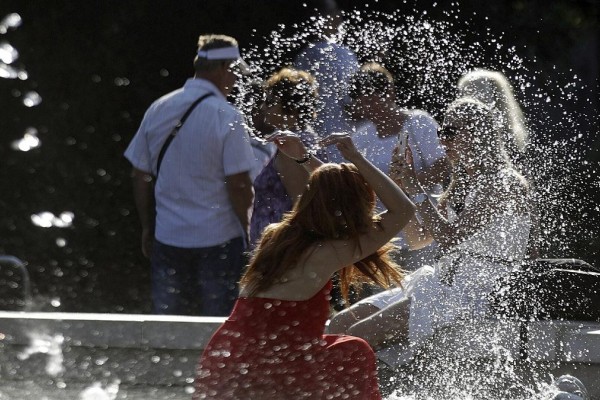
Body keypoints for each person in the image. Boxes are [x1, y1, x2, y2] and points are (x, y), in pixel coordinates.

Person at [193, 132, 416, 400]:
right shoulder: (332, 251)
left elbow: (332, 193)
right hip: (272, 366)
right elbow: (403, 209)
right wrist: (355, 158)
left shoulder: (275, 236)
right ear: (357, 207)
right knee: (354, 350)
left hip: (226, 357)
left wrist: (306, 160)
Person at [328, 97, 532, 355]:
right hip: (440, 282)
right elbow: (418, 239)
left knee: (356, 338)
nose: (442, 140)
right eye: (440, 132)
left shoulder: (505, 183)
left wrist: (416, 187)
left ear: (477, 131)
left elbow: (449, 238)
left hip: (474, 292)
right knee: (339, 324)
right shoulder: (460, 184)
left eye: (450, 132)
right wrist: (404, 188)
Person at [124, 34, 256, 316]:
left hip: (169, 237)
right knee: (217, 328)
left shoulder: (159, 107)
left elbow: (139, 174)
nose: (235, 82)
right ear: (224, 69)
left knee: (169, 327)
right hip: (219, 239)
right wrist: (248, 230)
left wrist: (148, 225)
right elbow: (239, 183)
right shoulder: (227, 115)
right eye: (235, 73)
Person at [347, 62, 449, 271]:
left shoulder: (418, 122)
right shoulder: (361, 138)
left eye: (374, 98)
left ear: (390, 93)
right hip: (383, 235)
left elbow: (443, 166)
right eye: (364, 102)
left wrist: (403, 186)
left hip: (424, 226)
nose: (370, 107)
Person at [249, 67, 327, 246]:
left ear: (290, 108)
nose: (263, 108)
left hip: (284, 249)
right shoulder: (302, 139)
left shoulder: (292, 147)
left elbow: (301, 205)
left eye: (270, 102)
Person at [293, 0, 360, 162]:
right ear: (329, 19)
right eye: (337, 14)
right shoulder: (343, 55)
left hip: (311, 141)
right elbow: (352, 101)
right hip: (341, 141)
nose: (341, 18)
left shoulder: (302, 57)